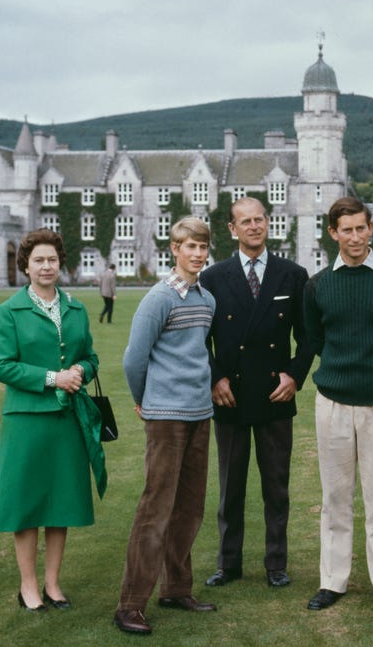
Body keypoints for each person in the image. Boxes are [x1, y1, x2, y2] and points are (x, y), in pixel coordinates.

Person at [302, 196, 373, 617]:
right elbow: (315, 339)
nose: (354, 237)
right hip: (332, 401)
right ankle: (332, 581)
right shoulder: (317, 285)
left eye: (361, 228)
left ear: (372, 228)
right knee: (334, 498)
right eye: (345, 230)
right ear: (333, 233)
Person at [198, 197, 314, 589]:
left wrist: (295, 376)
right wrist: (215, 379)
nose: (253, 227)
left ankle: (275, 563)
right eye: (244, 222)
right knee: (230, 487)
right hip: (229, 395)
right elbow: (200, 338)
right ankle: (228, 564)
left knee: (276, 487)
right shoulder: (213, 277)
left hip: (275, 394)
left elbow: (309, 336)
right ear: (232, 229)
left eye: (259, 220)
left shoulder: (293, 274)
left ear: (269, 223)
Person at [0, 228, 104, 612]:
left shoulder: (76, 307)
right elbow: (2, 366)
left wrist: (80, 371)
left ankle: (54, 584)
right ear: (26, 266)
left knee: (61, 503)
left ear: (60, 263)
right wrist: (53, 378)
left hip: (67, 420)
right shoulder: (9, 311)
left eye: (52, 260)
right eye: (38, 260)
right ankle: (28, 587)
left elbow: (91, 358)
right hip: (26, 421)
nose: (46, 266)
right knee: (27, 505)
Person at [113, 217, 217, 636]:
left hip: (200, 413)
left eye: (202, 247)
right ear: (174, 249)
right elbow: (133, 360)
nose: (196, 254)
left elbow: (199, 355)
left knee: (190, 508)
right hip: (165, 417)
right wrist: (143, 401)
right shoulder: (158, 299)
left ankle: (176, 589)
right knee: (156, 508)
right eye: (189, 246)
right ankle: (130, 604)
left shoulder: (206, 299)